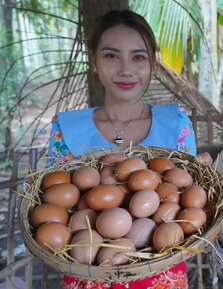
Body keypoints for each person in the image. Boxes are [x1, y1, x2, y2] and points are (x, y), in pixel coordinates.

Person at [47, 9, 195, 289]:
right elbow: (54, 207)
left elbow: (189, 202)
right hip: (88, 276)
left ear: (152, 63)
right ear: (94, 62)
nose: (126, 69)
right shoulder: (65, 128)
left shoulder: (176, 123)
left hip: (161, 279)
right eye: (111, 55)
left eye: (138, 57)